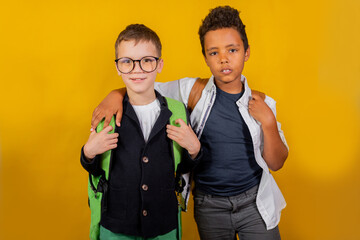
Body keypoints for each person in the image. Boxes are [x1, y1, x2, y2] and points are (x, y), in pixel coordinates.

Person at [91, 6, 289, 240]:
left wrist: (268, 121)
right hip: (209, 203)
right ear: (205, 57)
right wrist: (115, 94)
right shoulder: (192, 90)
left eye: (233, 50)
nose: (224, 58)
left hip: (254, 202)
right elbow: (144, 85)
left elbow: (276, 162)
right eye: (213, 52)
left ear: (246, 52)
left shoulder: (264, 103)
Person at [81, 24, 201, 240]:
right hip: (116, 225)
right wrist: (88, 153)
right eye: (127, 62)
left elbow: (181, 166)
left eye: (146, 60)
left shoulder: (176, 110)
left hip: (163, 224)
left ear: (160, 64)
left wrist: (195, 150)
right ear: (118, 67)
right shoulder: (107, 114)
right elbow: (96, 169)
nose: (137, 69)